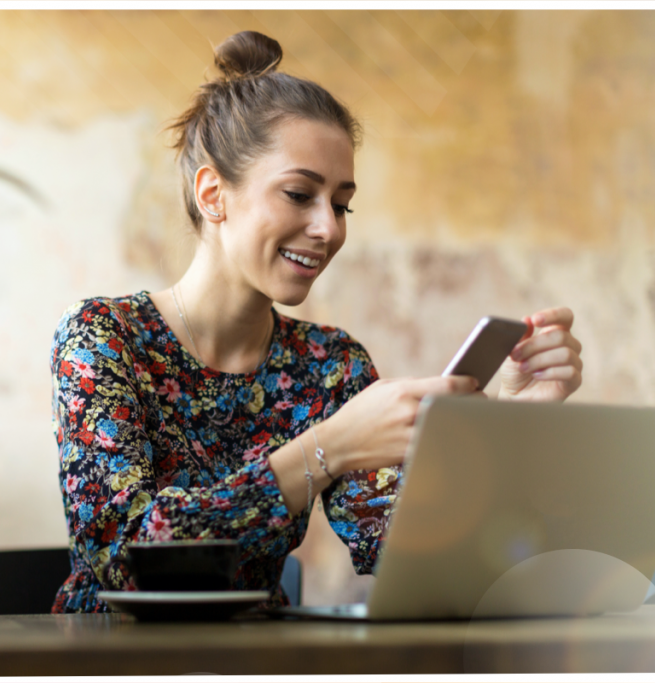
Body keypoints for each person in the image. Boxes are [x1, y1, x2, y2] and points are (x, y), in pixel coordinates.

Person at [50, 31, 584, 613]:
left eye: (341, 203)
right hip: (106, 660)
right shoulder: (104, 337)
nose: (329, 229)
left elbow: (417, 554)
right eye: (300, 194)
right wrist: (329, 447)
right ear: (212, 195)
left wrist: (512, 430)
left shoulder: (329, 365)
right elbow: (123, 557)